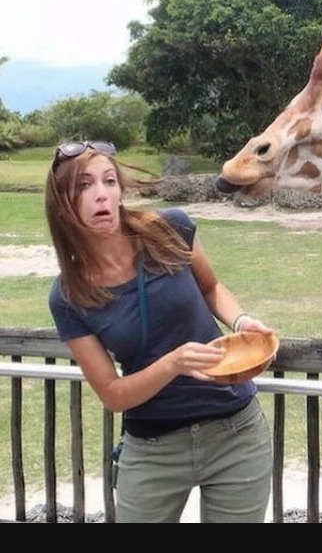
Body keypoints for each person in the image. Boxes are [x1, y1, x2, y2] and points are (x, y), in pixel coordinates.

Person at [45, 140, 274, 523]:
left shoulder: (170, 227)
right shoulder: (69, 296)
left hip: (236, 433)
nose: (101, 194)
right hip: (152, 449)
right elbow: (113, 394)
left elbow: (211, 288)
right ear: (63, 202)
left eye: (109, 181)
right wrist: (173, 364)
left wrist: (241, 321)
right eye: (84, 185)